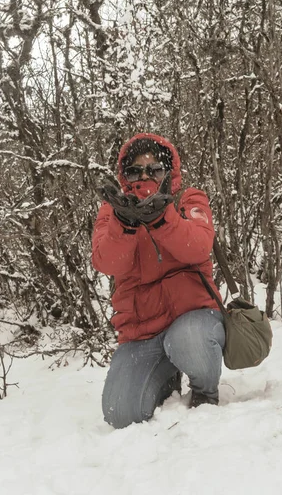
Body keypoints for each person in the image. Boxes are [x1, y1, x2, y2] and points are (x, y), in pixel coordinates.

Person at [92, 133, 225, 429]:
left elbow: (198, 247)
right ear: (124, 175)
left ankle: (205, 391)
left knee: (189, 339)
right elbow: (107, 262)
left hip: (195, 319)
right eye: (136, 170)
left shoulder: (190, 199)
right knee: (121, 413)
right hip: (142, 332)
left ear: (169, 170)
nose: (145, 176)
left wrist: (161, 219)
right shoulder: (111, 212)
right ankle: (166, 376)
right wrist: (124, 224)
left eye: (154, 169)